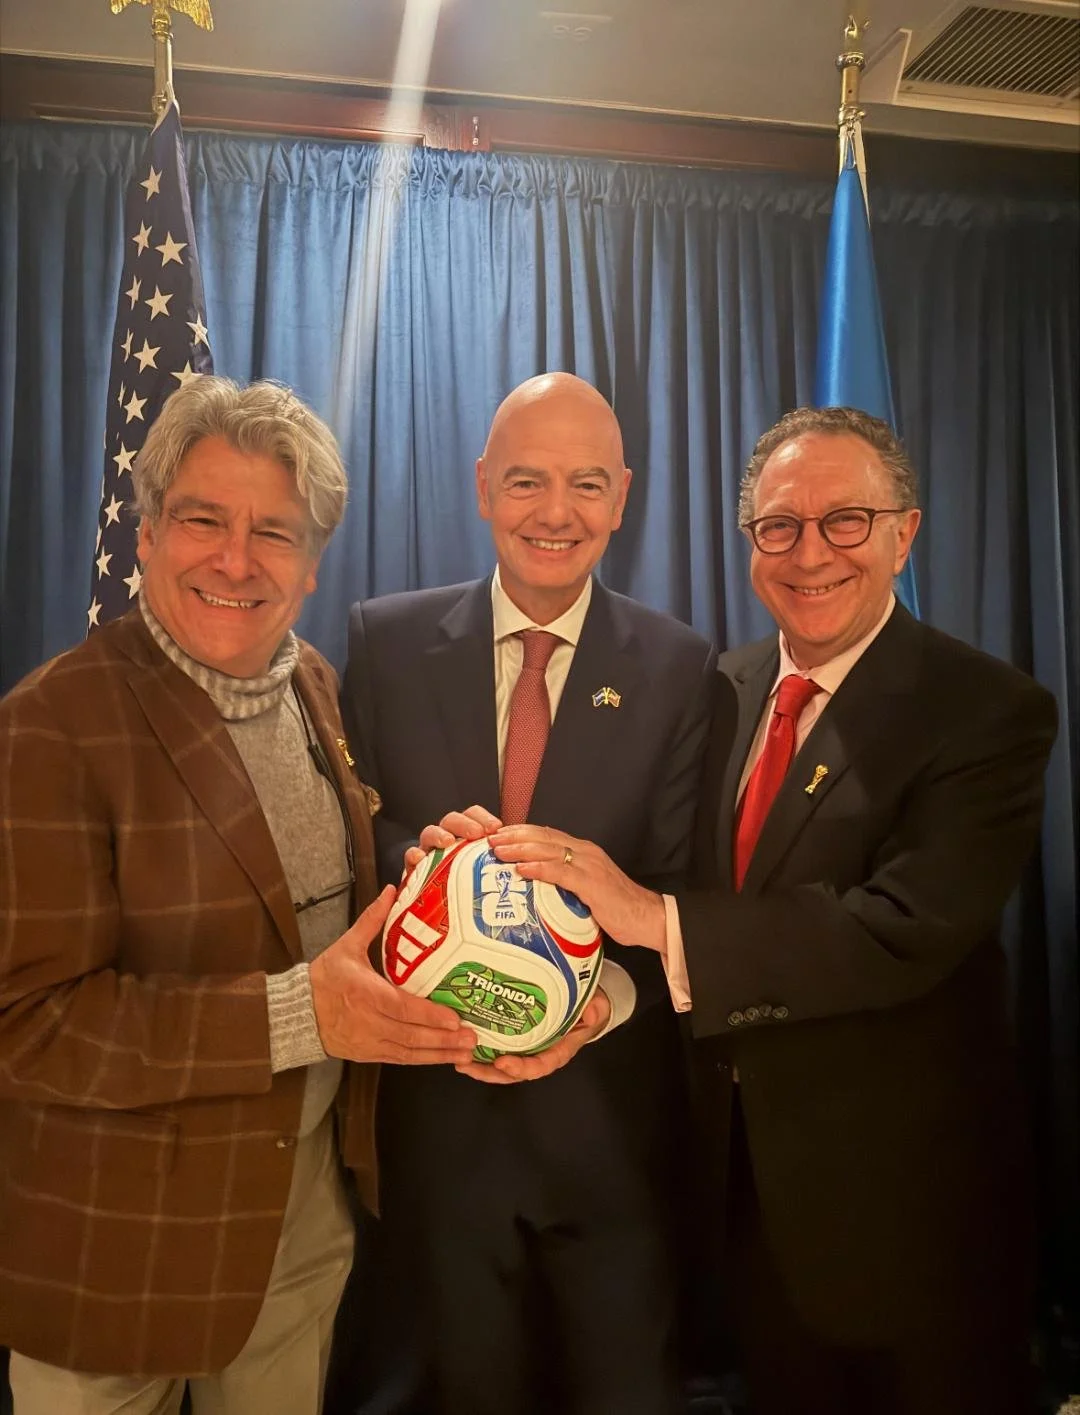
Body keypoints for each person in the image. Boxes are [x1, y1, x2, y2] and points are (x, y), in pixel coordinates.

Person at [489, 406, 1059, 1415]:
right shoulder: (722, 688)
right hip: (738, 1203)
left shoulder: (987, 709)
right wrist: (571, 963)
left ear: (904, 532)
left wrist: (647, 916)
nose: (810, 553)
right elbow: (677, 877)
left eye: (846, 519)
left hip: (907, 1222)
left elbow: (897, 928)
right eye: (778, 526)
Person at [0, 377, 476, 1415]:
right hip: (114, 1243)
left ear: (309, 569)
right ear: (149, 532)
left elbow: (312, 909)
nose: (234, 558)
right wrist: (304, 1012)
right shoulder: (48, 726)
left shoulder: (311, 679)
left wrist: (445, 876)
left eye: (274, 532)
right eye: (203, 519)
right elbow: (29, 1023)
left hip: (300, 1211)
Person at [337, 372, 717, 1415]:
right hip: (437, 1140)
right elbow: (351, 837)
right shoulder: (382, 640)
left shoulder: (683, 667)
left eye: (587, 484)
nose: (557, 511)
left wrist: (607, 1003)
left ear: (625, 495)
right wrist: (427, 865)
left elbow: (678, 888)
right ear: (480, 488)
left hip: (609, 1147)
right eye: (527, 480)